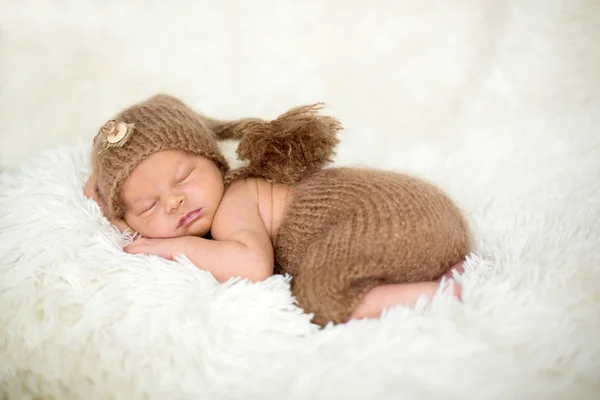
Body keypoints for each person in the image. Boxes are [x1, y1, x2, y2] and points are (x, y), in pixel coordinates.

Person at [85, 94, 470, 326]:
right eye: (148, 206)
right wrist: (108, 202)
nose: (173, 202)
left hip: (382, 218)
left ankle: (439, 294)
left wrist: (167, 247)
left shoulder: (235, 202)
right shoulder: (214, 204)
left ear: (215, 162)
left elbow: (251, 267)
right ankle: (428, 269)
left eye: (184, 177)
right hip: (427, 220)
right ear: (125, 219)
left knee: (318, 299)